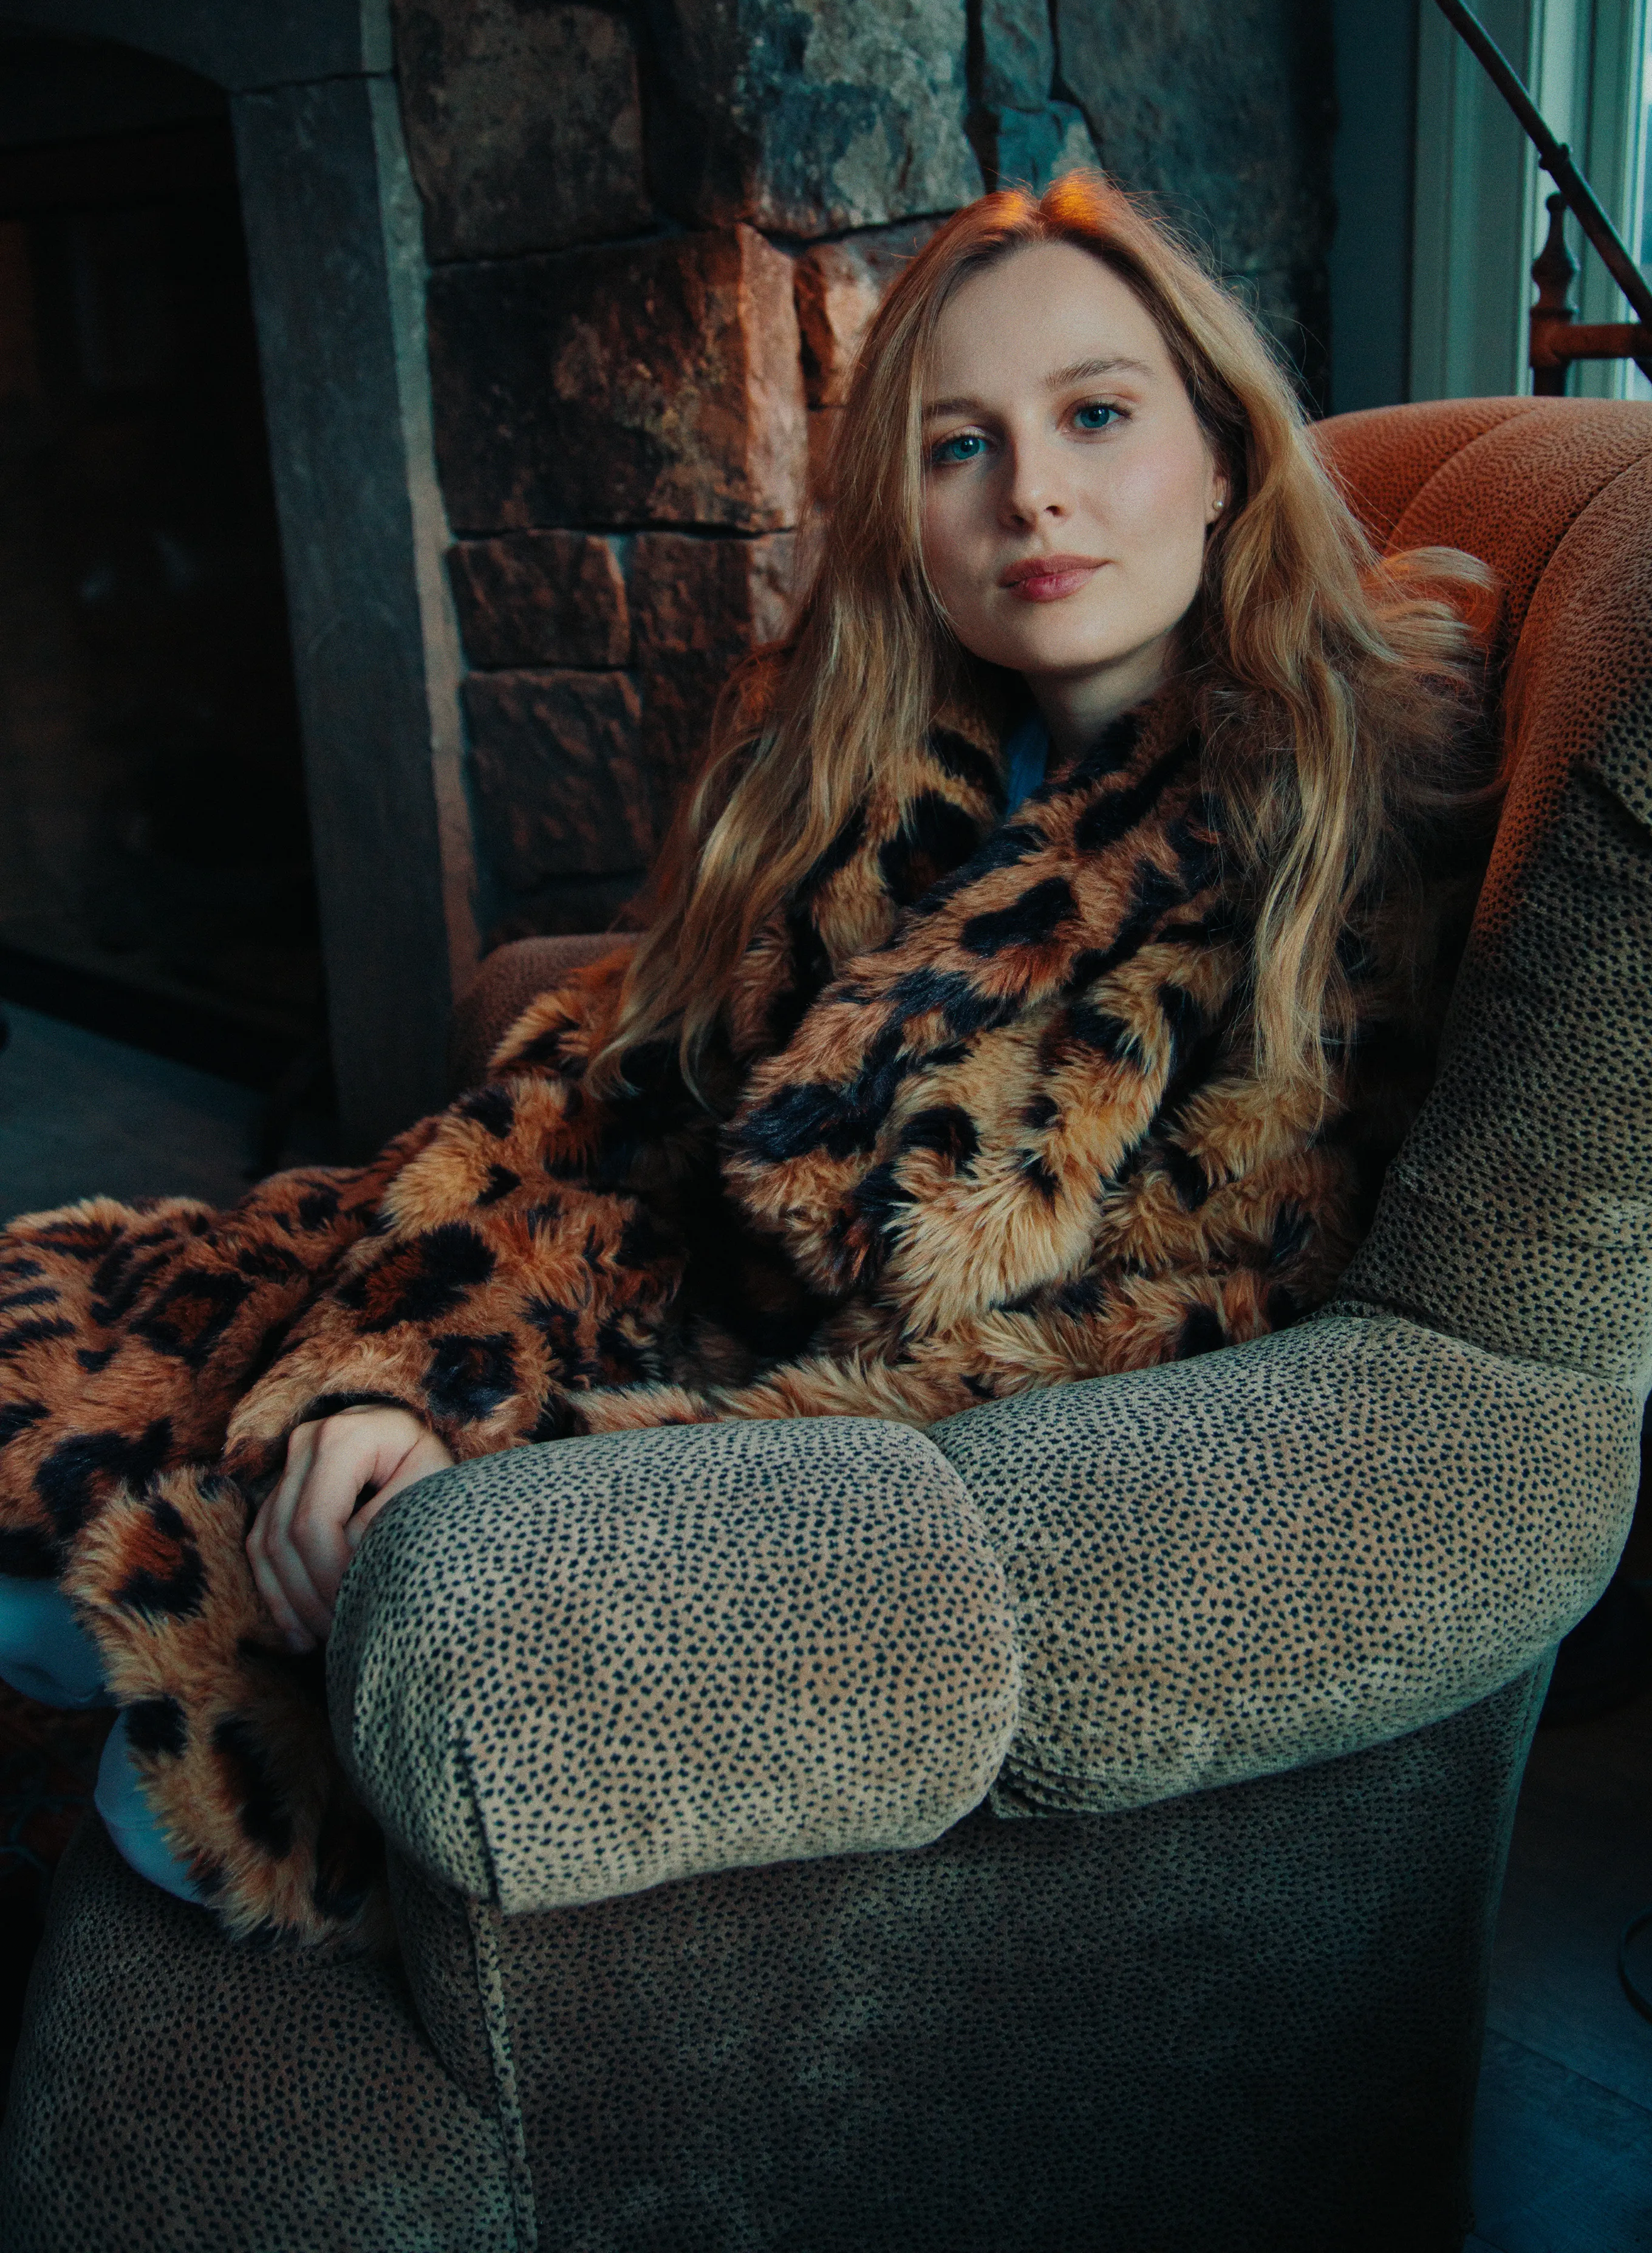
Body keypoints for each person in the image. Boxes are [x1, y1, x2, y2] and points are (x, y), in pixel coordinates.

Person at [0, 173, 1492, 1948]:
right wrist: (398, 1370)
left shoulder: (1327, 824)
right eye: (959, 447)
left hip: (815, 1481)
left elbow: (1179, 1340)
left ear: (1227, 455)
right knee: (57, 1346)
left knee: (185, 1742)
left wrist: (533, 1452)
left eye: (1098, 414)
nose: (1034, 494)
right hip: (632, 1291)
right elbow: (608, 1097)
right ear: (905, 512)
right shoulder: (872, 756)